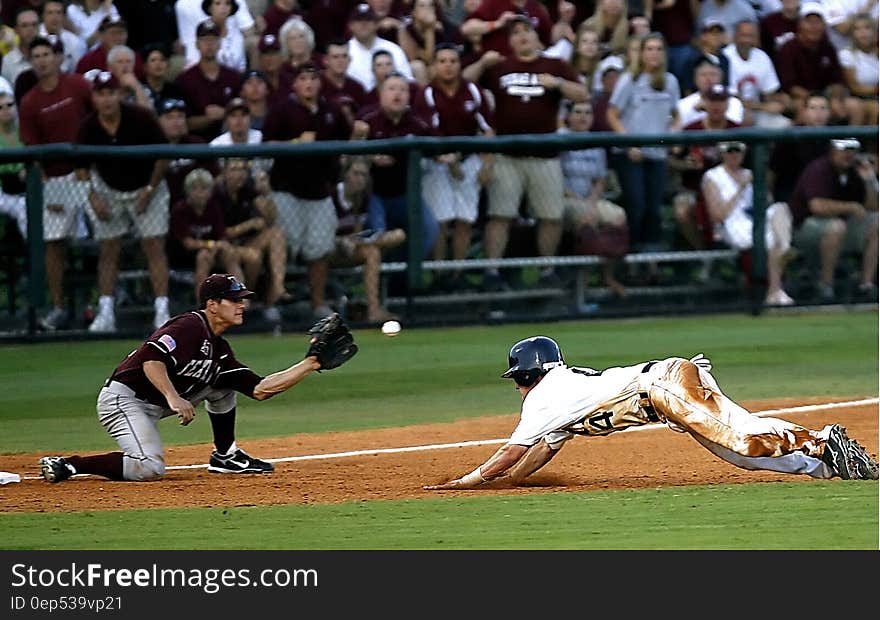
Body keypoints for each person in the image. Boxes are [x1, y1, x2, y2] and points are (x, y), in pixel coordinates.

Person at [424, 335, 879, 490]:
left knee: (740, 435)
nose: (519, 388)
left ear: (533, 374)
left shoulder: (549, 392)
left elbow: (513, 449)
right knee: (739, 452)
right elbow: (542, 448)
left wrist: (470, 481)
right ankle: (826, 466)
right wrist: (519, 481)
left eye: (520, 378)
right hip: (665, 391)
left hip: (662, 385)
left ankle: (822, 441)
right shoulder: (561, 398)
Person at [38, 273, 357, 483]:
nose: (242, 304)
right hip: (124, 400)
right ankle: (72, 465)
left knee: (222, 385)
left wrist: (311, 363)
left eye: (242, 298)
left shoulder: (220, 350)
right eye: (235, 299)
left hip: (155, 402)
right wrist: (174, 398)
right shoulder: (189, 326)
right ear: (212, 305)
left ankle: (226, 456)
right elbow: (151, 360)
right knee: (150, 468)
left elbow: (260, 389)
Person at [468, 14, 587, 291]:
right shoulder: (500, 66)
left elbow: (582, 94)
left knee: (551, 215)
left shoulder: (555, 65)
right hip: (506, 155)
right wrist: (483, 62)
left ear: (537, 36)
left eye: (527, 31)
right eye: (516, 32)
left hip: (544, 156)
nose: (522, 36)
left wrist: (557, 84)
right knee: (500, 215)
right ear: (510, 39)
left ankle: (546, 269)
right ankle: (492, 271)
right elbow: (465, 83)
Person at [76, 71, 172, 333]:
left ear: (119, 94)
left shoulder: (140, 117)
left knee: (153, 245)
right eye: (100, 94)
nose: (106, 99)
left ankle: (162, 311)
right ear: (94, 97)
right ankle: (106, 312)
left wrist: (149, 191)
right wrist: (92, 197)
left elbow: (164, 155)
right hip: (108, 189)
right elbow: (81, 168)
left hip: (146, 186)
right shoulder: (88, 126)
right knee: (108, 248)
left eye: (111, 93)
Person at [262, 60, 352, 319]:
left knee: (320, 250)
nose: (309, 83)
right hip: (286, 190)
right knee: (281, 248)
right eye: (303, 78)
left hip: (320, 191)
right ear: (295, 83)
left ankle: (318, 303)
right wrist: (294, 143)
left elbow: (346, 140)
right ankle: (272, 303)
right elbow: (265, 144)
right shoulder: (282, 109)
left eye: (313, 78)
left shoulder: (331, 110)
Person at [18, 35, 94, 332]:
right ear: (31, 60)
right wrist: (48, 188)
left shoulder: (77, 85)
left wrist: (86, 168)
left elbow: (96, 120)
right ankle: (58, 306)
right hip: (53, 179)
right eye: (36, 55)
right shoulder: (29, 101)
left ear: (57, 57)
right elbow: (32, 151)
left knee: (98, 240)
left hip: (85, 174)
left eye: (46, 54)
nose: (42, 60)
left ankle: (97, 303)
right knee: (53, 243)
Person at [421, 42, 493, 280]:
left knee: (464, 220)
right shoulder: (428, 93)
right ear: (434, 66)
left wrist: (487, 164)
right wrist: (450, 162)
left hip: (469, 159)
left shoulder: (472, 90)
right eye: (442, 61)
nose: (448, 66)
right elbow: (431, 131)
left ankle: (458, 274)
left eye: (453, 61)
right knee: (441, 221)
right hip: (438, 163)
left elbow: (488, 129)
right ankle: (439, 272)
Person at [606, 31, 680, 254]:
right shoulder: (630, 79)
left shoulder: (670, 81)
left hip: (657, 152)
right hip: (631, 154)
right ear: (641, 53)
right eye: (649, 49)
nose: (654, 53)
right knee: (636, 205)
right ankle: (629, 252)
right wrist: (629, 143)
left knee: (654, 209)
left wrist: (673, 135)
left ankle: (650, 259)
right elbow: (612, 114)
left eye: (658, 49)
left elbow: (676, 114)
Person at [701, 140, 796, 306]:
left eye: (737, 151)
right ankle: (774, 291)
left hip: (755, 218)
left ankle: (785, 248)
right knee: (773, 240)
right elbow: (718, 215)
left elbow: (767, 202)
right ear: (722, 153)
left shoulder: (749, 173)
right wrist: (740, 188)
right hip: (731, 224)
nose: (734, 155)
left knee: (781, 208)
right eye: (729, 151)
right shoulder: (713, 176)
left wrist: (759, 186)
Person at [789, 138, 879, 302]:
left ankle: (866, 285)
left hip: (842, 227)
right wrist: (850, 207)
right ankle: (826, 286)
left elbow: (874, 206)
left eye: (851, 149)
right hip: (804, 229)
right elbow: (817, 206)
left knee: (877, 223)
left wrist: (869, 180)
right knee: (836, 227)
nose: (848, 154)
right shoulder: (819, 168)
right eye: (843, 149)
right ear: (832, 150)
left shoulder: (855, 171)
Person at [559, 99, 628, 297]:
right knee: (588, 219)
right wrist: (581, 203)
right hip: (564, 199)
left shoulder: (595, 142)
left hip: (590, 199)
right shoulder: (559, 138)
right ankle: (583, 283)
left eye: (588, 113)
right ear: (568, 116)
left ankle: (608, 276)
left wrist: (591, 201)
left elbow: (600, 180)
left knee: (618, 216)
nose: (583, 117)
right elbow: (556, 178)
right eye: (578, 112)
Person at [214, 158, 292, 323]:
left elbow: (270, 220)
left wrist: (266, 193)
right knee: (253, 257)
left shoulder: (248, 190)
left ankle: (278, 287)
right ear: (225, 172)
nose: (239, 174)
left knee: (276, 234)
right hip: (222, 246)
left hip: (246, 242)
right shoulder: (217, 193)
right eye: (234, 169)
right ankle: (244, 298)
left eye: (242, 169)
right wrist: (249, 225)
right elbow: (222, 233)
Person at [331, 155, 404, 323]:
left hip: (351, 247)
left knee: (374, 251)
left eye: (364, 175)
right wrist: (343, 241)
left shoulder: (363, 198)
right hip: (329, 250)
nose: (360, 179)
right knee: (381, 243)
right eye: (356, 173)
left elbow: (356, 233)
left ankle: (373, 311)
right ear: (346, 174)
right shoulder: (333, 194)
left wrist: (355, 241)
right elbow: (324, 237)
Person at [775, 3, 863, 126]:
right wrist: (817, 99)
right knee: (808, 108)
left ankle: (851, 143)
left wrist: (834, 98)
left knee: (855, 106)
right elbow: (790, 86)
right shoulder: (788, 49)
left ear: (823, 25)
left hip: (825, 97)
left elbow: (836, 80)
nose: (813, 27)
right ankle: (802, 144)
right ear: (800, 24)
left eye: (817, 22)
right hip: (798, 98)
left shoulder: (827, 47)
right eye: (809, 22)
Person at [169, 168, 247, 298]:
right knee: (203, 256)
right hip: (185, 255)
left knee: (228, 251)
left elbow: (221, 236)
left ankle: (241, 297)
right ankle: (202, 303)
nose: (200, 193)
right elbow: (188, 243)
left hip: (212, 250)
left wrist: (217, 246)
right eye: (195, 189)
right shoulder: (180, 210)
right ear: (188, 191)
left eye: (204, 189)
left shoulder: (213, 207)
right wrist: (211, 245)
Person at [174, 18, 243, 141]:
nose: (209, 44)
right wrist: (208, 119)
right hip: (197, 144)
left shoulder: (233, 77)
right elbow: (182, 122)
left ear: (220, 43)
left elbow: (245, 114)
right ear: (197, 44)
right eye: (204, 40)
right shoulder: (184, 80)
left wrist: (225, 113)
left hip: (231, 142)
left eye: (213, 40)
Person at [721, 19, 790, 129]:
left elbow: (769, 94)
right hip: (729, 111)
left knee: (785, 125)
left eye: (751, 36)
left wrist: (779, 102)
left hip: (757, 111)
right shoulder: (725, 57)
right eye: (743, 35)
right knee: (745, 118)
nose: (747, 40)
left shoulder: (762, 57)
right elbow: (732, 99)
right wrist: (763, 107)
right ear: (734, 36)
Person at [345, 2, 413, 92]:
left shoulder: (393, 49)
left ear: (376, 24)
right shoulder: (344, 52)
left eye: (368, 20)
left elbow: (408, 81)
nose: (363, 24)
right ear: (351, 26)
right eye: (359, 20)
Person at [459, 0, 554, 58]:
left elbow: (549, 42)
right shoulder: (494, 3)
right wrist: (498, 23)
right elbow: (466, 28)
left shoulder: (536, 8)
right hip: (498, 65)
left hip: (530, 67)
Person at [74, 15, 145, 81]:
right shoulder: (88, 60)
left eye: (121, 33)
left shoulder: (135, 58)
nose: (118, 37)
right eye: (113, 33)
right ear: (101, 35)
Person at [838, 12, 879, 126]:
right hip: (856, 97)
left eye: (867, 28)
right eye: (857, 29)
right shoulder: (847, 54)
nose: (863, 33)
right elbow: (854, 87)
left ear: (875, 32)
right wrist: (876, 90)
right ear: (852, 34)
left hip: (875, 96)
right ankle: (867, 143)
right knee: (876, 109)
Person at [320, 37, 368, 126]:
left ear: (350, 60)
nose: (340, 61)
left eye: (344, 56)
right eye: (335, 57)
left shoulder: (357, 88)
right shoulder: (316, 85)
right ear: (325, 60)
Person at [1, 6, 39, 87]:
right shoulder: (8, 61)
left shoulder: (50, 53)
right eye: (25, 25)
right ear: (16, 30)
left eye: (34, 25)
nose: (30, 29)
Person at [140, 44, 184, 113]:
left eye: (162, 60)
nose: (158, 64)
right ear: (145, 66)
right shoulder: (137, 88)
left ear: (168, 65)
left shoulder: (175, 90)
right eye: (153, 60)